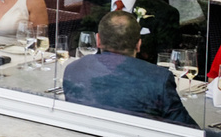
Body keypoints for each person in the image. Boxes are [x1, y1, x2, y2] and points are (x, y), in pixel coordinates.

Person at [62, 9, 192, 125]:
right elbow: (187, 130)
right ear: (138, 44)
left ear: (98, 40)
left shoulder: (74, 68)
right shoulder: (159, 79)